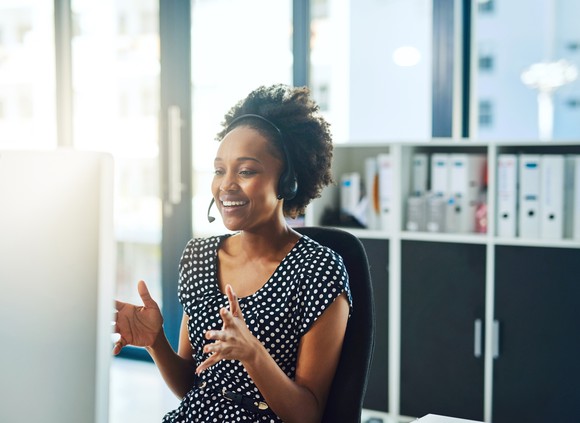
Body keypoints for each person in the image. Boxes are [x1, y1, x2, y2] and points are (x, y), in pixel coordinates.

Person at [113, 84, 352, 423]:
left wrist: (252, 354)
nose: (226, 185)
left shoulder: (318, 270)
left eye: (246, 171)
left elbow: (307, 416)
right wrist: (155, 342)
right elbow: (192, 386)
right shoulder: (199, 257)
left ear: (288, 182)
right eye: (219, 170)